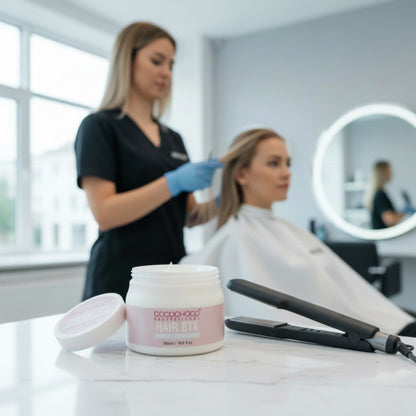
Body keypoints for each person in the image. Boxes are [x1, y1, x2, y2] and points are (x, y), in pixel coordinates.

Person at [181, 128, 416, 336]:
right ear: (242, 174)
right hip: (365, 332)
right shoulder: (237, 236)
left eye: (287, 163)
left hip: (382, 323)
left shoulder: (282, 229)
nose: (286, 172)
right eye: (274, 163)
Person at [75, 22, 222, 300]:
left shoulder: (173, 139)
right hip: (120, 279)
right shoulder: (100, 127)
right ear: (126, 61)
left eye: (171, 65)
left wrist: (225, 201)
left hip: (170, 275)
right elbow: (105, 214)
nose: (166, 72)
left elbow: (188, 216)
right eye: (157, 61)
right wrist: (174, 181)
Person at [365, 161, 405, 229]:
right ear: (383, 173)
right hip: (384, 237)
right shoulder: (380, 195)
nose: (392, 173)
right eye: (389, 171)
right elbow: (390, 220)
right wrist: (404, 212)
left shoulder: (377, 193)